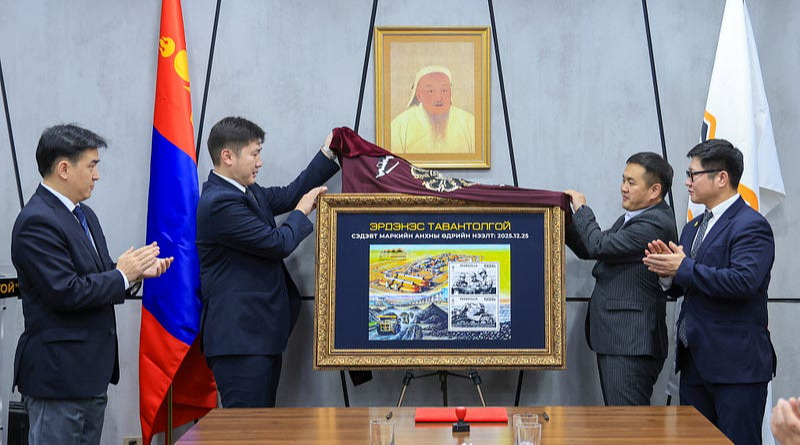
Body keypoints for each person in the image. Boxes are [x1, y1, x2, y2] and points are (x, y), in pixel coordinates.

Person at [11, 124, 172, 445]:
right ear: (64, 169)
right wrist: (121, 275)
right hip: (58, 380)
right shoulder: (36, 221)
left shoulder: (84, 215)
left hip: (90, 376)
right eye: (92, 166)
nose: (97, 176)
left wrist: (136, 273)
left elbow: (95, 276)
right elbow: (65, 292)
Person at [196, 116, 339, 408]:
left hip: (258, 338)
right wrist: (301, 212)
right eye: (254, 154)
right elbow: (277, 244)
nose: (260, 162)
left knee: (261, 424)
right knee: (246, 428)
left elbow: (289, 194)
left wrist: (327, 153)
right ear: (228, 156)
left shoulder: (246, 191)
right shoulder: (220, 203)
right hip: (239, 343)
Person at [643, 139, 776, 444]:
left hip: (736, 369)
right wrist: (667, 275)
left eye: (693, 174)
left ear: (721, 178)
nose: (687, 182)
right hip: (694, 364)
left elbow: (743, 282)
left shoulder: (751, 225)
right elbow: (687, 282)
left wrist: (683, 267)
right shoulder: (693, 228)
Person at [564, 152, 677, 406]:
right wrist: (564, 219)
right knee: (621, 419)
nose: (623, 188)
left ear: (654, 190)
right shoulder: (637, 217)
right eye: (623, 180)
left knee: (629, 422)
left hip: (630, 343)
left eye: (631, 182)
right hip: (620, 340)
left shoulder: (654, 223)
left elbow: (598, 245)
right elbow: (590, 248)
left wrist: (581, 210)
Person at [390, 65, 475, 153]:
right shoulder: (399, 126)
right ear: (418, 95)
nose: (438, 98)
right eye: (431, 91)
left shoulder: (469, 123)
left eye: (444, 90)